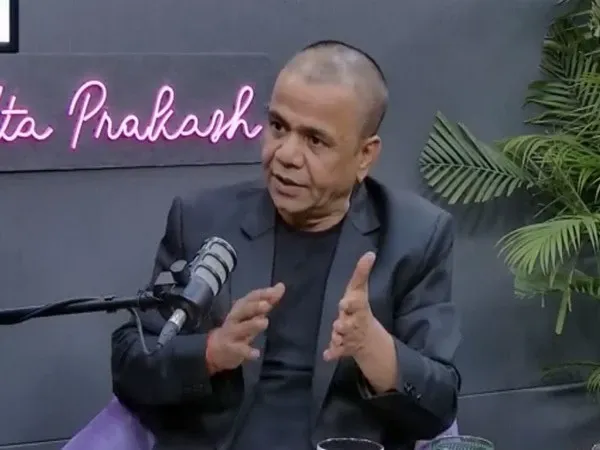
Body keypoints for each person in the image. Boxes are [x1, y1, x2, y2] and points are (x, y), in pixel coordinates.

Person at [111, 40, 461, 450]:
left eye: (315, 140)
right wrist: (211, 352)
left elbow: (439, 407)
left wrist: (372, 347)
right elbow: (131, 367)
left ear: (365, 156)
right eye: (278, 127)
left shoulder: (414, 236)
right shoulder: (203, 220)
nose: (286, 155)